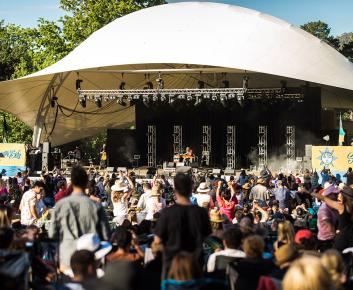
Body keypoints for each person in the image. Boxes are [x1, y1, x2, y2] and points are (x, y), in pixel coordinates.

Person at [49, 166, 110, 271]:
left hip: (67, 258)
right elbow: (106, 234)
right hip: (90, 259)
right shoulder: (96, 206)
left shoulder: (60, 205)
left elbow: (52, 234)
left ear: (71, 182)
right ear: (86, 182)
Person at [154, 173, 212, 277]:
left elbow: (157, 241)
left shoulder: (167, 213)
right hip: (195, 267)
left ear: (175, 191)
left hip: (171, 267)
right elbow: (207, 238)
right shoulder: (201, 213)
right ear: (191, 190)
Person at [314, 185, 353, 251]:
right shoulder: (348, 206)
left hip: (341, 238)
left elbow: (324, 199)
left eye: (339, 194)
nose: (338, 195)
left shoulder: (341, 207)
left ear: (344, 197)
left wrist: (311, 193)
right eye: (336, 194)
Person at [317, 185, 340, 251]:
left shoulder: (332, 207)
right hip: (326, 241)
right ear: (329, 196)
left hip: (332, 238)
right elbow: (329, 227)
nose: (337, 195)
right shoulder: (324, 209)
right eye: (335, 194)